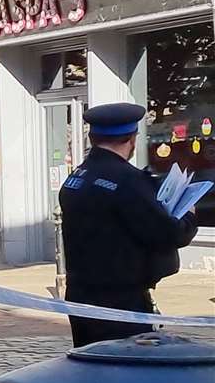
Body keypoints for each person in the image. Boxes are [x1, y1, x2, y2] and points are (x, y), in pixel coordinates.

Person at [58, 102, 197, 347]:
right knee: (124, 370)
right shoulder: (128, 180)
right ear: (131, 139)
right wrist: (189, 216)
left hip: (81, 293)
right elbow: (166, 234)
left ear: (93, 136)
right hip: (120, 299)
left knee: (90, 366)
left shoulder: (77, 176)